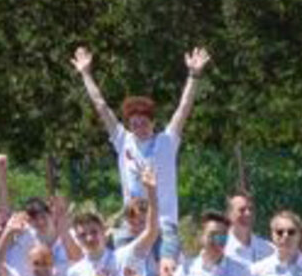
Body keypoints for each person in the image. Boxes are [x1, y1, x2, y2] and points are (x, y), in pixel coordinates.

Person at [69, 45, 208, 238]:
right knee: (118, 253)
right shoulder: (123, 140)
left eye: (144, 123)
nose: (139, 128)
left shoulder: (167, 141)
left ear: (153, 123)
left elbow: (184, 107)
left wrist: (194, 75)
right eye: (134, 124)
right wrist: (85, 73)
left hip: (164, 225)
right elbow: (100, 105)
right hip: (133, 227)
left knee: (167, 265)